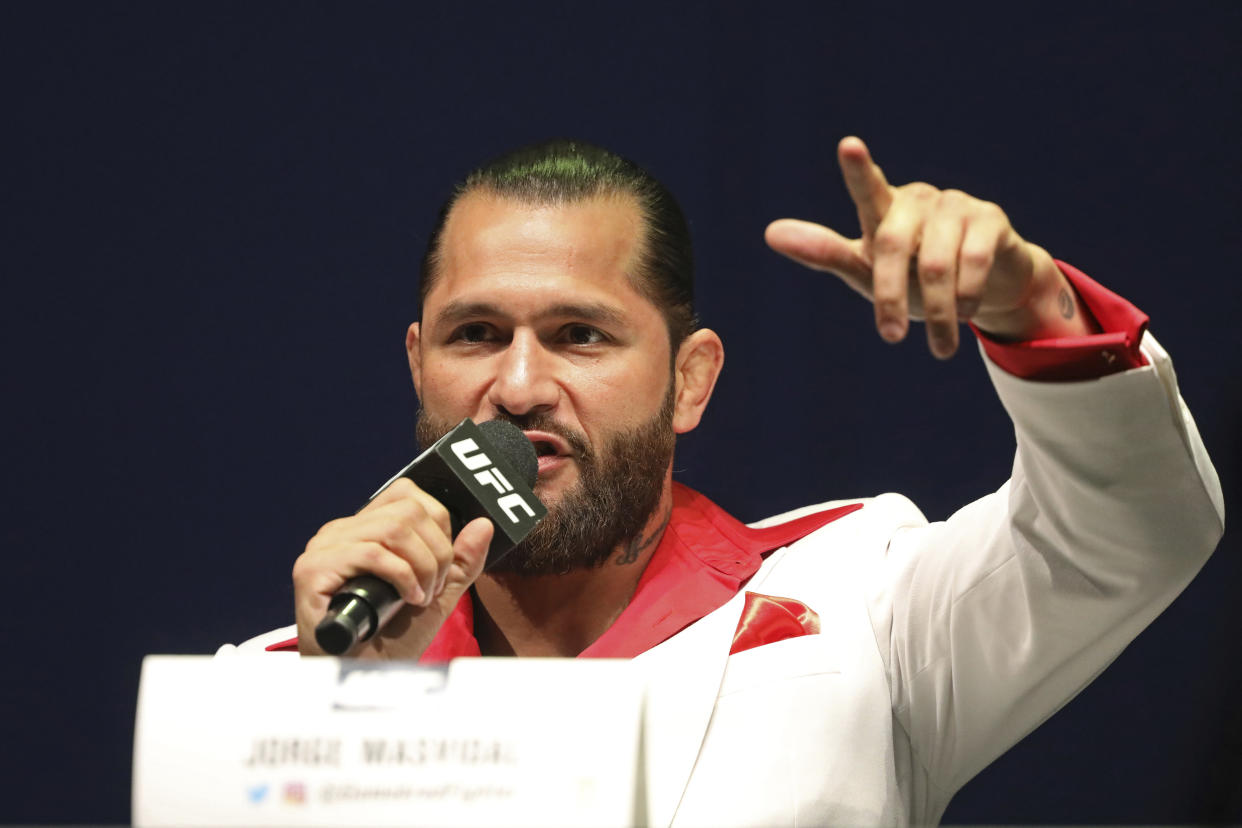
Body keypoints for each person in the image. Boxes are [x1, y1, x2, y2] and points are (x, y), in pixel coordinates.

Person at [221, 137, 1224, 825]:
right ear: (417, 365)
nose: (518, 386)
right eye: (477, 335)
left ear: (689, 379)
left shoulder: (860, 609)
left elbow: (1133, 532)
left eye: (580, 335)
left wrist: (1031, 306)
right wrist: (354, 715)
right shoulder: (268, 691)